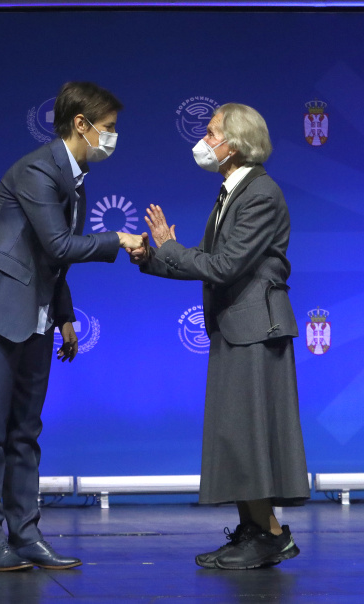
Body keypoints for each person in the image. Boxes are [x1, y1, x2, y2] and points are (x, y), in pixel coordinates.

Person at [0, 81, 145, 571]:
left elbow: (51, 262)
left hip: (36, 320)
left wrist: (64, 317)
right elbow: (59, 244)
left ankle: (25, 536)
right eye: (108, 128)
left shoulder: (76, 179)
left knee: (25, 434)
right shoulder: (38, 169)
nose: (112, 137)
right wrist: (119, 239)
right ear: (81, 125)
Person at [136, 103, 310, 570]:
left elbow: (226, 266)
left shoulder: (260, 193)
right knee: (236, 434)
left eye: (212, 133)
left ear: (234, 144)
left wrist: (170, 248)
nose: (204, 142)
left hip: (256, 329)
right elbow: (209, 261)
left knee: (250, 434)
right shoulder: (231, 192)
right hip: (236, 329)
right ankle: (252, 530)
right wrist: (154, 257)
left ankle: (272, 536)